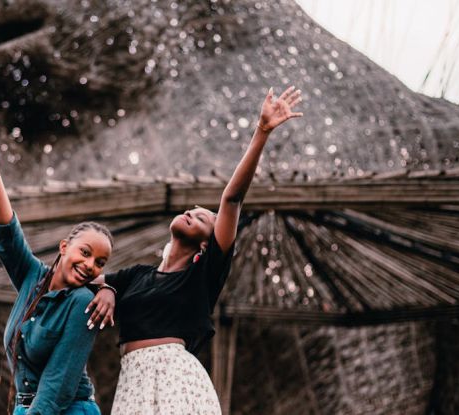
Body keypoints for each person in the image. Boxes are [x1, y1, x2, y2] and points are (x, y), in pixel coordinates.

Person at [84, 86, 303, 413]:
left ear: (206, 243)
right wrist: (109, 290)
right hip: (131, 381)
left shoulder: (203, 275)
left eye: (202, 217)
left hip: (176, 379)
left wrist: (262, 131)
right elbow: (88, 281)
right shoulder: (136, 276)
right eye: (192, 210)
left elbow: (231, 199)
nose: (192, 211)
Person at [0, 127, 114, 415]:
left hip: (66, 410)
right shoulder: (32, 277)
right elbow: (6, 225)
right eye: (86, 253)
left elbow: (59, 384)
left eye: (100, 263)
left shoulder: (81, 303)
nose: (90, 265)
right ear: (64, 247)